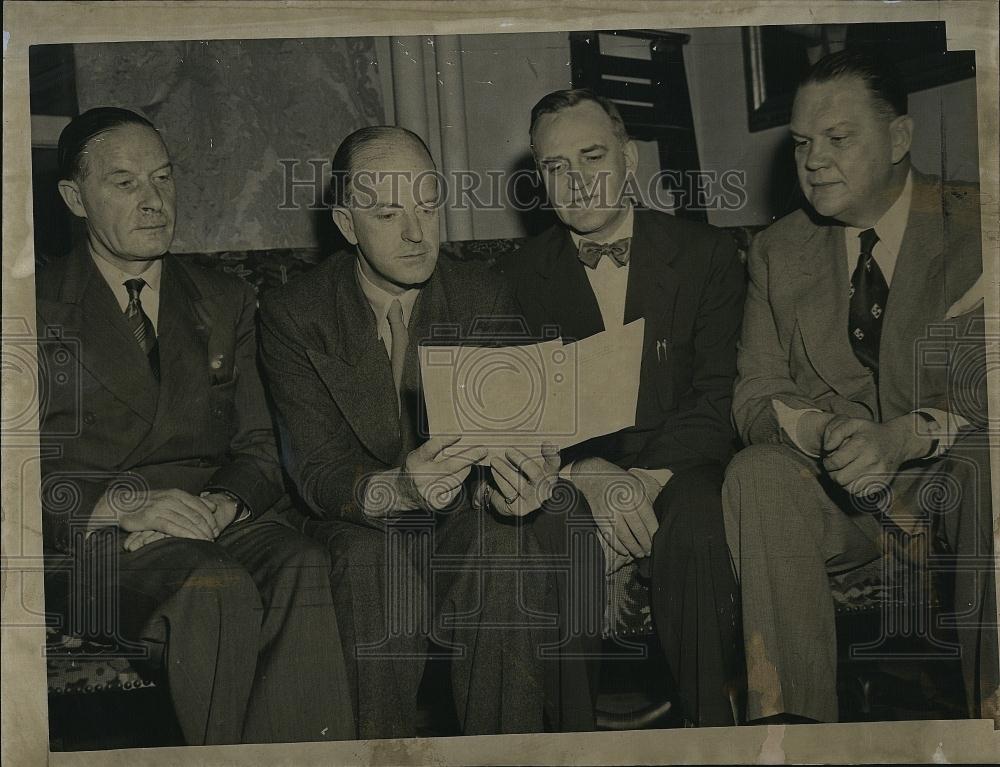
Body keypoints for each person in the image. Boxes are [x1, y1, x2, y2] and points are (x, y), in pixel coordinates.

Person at [259, 125, 602, 737]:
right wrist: (399, 489)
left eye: (427, 204)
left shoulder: (481, 290)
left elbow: (517, 431)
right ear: (345, 223)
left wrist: (523, 478)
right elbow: (316, 470)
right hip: (357, 522)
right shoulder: (294, 313)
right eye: (389, 213)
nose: (417, 233)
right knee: (370, 564)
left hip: (456, 520)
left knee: (507, 543)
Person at [37, 107, 354, 745]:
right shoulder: (29, 304)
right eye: (124, 183)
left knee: (302, 563)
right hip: (98, 541)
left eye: (163, 179)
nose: (153, 201)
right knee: (214, 585)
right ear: (75, 198)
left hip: (210, 520)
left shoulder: (224, 297)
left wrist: (223, 502)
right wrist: (124, 504)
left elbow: (262, 444)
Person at [724, 48, 997, 724]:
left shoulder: (978, 225)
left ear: (899, 138)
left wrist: (908, 435)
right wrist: (814, 430)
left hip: (956, 497)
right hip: (841, 510)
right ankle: (790, 732)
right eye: (801, 143)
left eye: (838, 138)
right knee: (756, 472)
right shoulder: (777, 251)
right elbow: (754, 392)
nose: (813, 160)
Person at [503, 88, 747, 726]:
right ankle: (573, 740)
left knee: (696, 521)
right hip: (576, 471)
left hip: (677, 467)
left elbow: (716, 395)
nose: (577, 183)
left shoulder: (707, 256)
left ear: (629, 158)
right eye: (557, 168)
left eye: (592, 157)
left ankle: (710, 733)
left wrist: (640, 480)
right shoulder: (519, 275)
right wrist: (589, 475)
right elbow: (525, 414)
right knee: (558, 532)